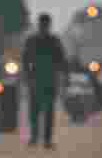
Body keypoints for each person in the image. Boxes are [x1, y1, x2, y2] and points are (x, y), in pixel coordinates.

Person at [21, 13, 68, 150]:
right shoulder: (32, 40)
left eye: (45, 24)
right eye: (43, 24)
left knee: (48, 111)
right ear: (40, 24)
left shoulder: (54, 41)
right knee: (34, 111)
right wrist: (27, 76)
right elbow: (25, 60)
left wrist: (64, 75)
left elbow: (61, 60)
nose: (44, 26)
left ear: (48, 25)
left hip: (49, 81)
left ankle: (46, 139)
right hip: (36, 80)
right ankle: (35, 137)